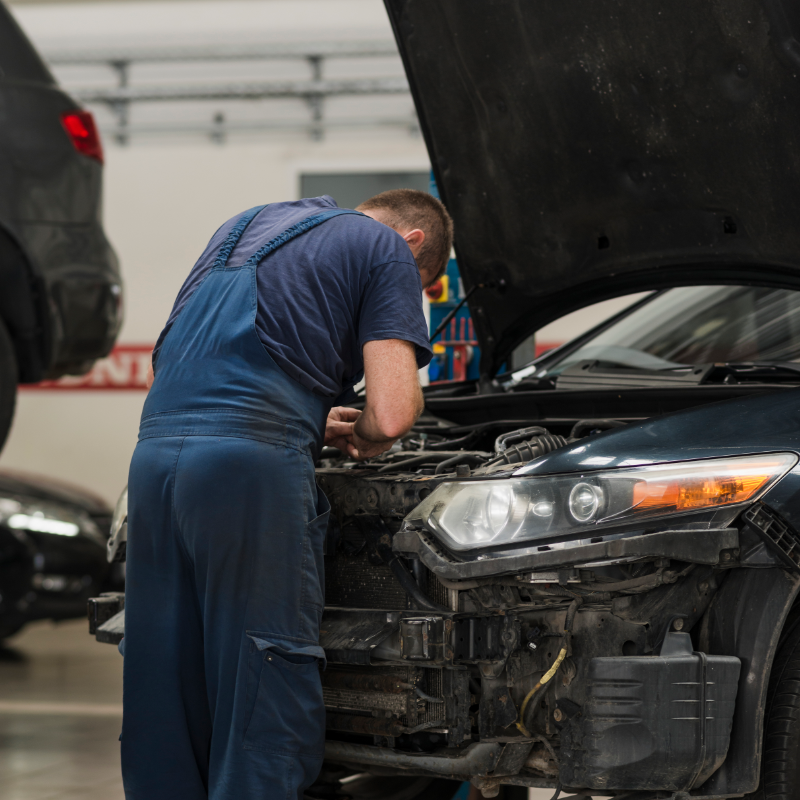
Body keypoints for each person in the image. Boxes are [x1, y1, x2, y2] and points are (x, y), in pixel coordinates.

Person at [120, 189, 454, 800]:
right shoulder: (386, 250)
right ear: (412, 246)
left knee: (162, 677)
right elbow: (395, 411)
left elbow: (187, 364)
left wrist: (306, 411)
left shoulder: (243, 226)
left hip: (154, 462)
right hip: (247, 472)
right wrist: (365, 436)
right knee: (263, 670)